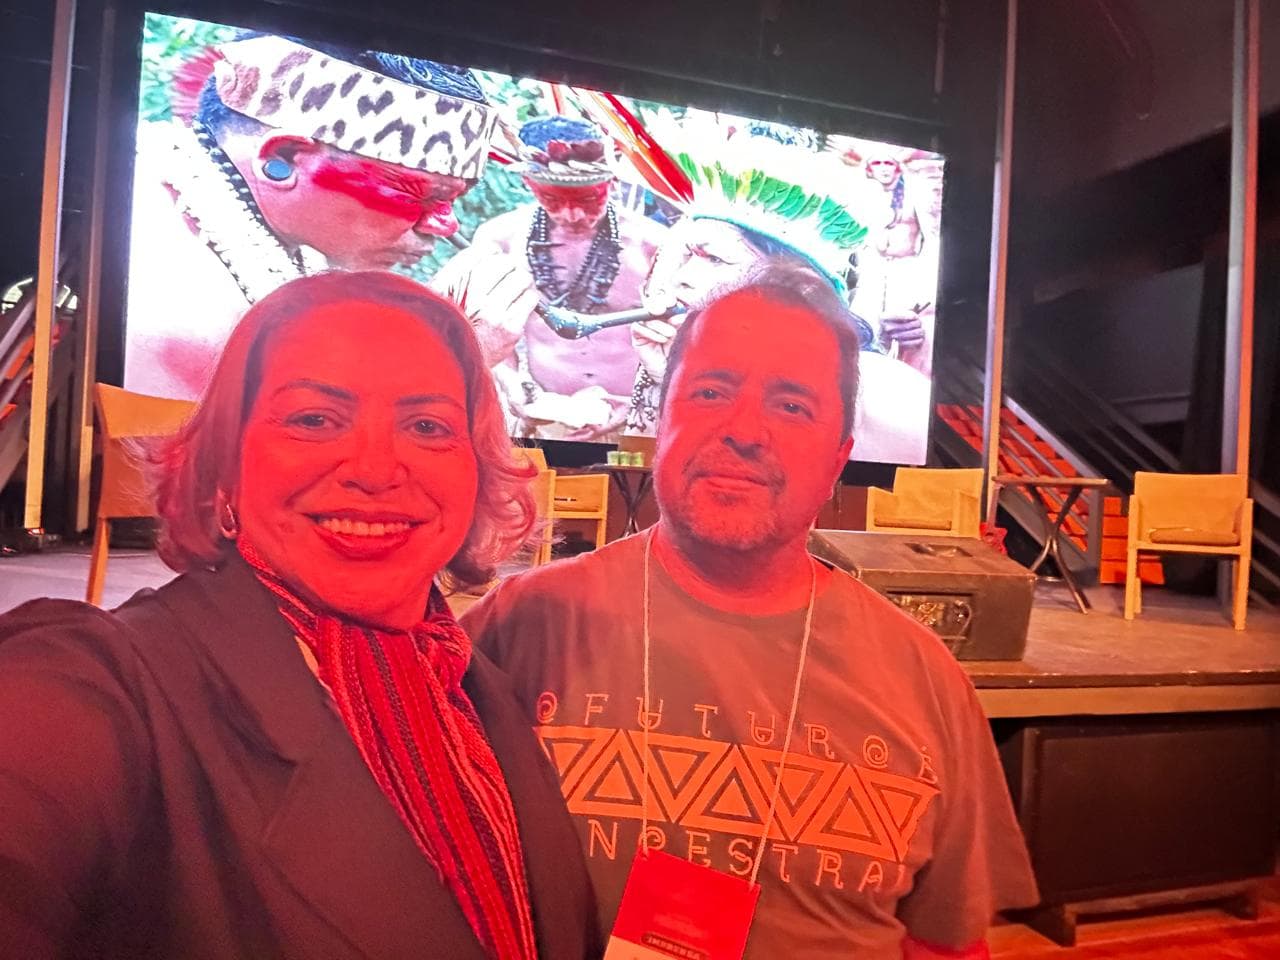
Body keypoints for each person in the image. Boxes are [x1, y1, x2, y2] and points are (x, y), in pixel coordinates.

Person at [0, 272, 596, 959]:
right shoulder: (103, 682)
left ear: (477, 470)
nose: (375, 469)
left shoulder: (480, 687)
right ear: (227, 462)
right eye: (314, 419)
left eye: (427, 426)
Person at [463, 265, 1038, 960]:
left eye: (792, 406)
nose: (743, 430)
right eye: (711, 392)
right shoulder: (517, 627)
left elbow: (944, 947)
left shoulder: (927, 683)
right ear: (660, 421)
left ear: (839, 459)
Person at [125, 32, 501, 400]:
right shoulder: (185, 309)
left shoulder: (282, 235)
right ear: (284, 157)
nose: (446, 224)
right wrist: (449, 365)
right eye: (425, 194)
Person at [620, 113, 934, 464]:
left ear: (801, 288)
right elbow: (642, 484)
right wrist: (669, 385)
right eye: (689, 256)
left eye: (715, 259)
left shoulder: (889, 396)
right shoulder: (693, 369)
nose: (681, 278)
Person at [433, 116, 666, 441]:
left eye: (588, 200)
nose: (572, 215)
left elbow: (677, 341)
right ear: (529, 185)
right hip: (545, 417)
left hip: (639, 419)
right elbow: (482, 326)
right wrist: (515, 389)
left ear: (612, 183)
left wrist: (641, 405)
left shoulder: (653, 244)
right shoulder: (501, 239)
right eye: (552, 200)